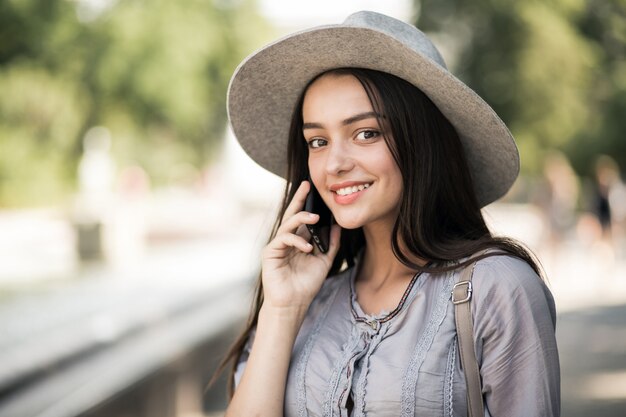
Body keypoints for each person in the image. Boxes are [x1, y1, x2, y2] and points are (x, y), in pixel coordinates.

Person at [218, 11, 560, 417]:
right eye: (318, 141)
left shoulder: (496, 289)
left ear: (421, 140)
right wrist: (282, 309)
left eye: (366, 133)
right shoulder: (305, 300)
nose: (334, 165)